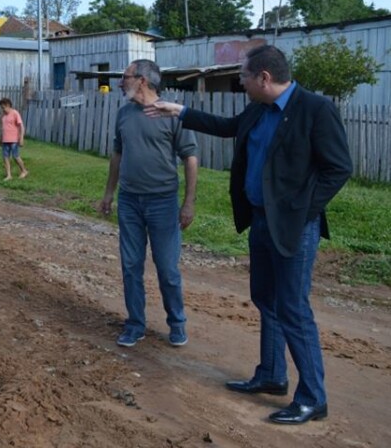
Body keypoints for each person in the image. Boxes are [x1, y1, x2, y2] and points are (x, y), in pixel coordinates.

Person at [145, 45, 352, 425]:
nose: (239, 81)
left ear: (264, 78)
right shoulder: (258, 109)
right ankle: (272, 375)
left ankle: (313, 398)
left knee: (293, 308)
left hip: (292, 226)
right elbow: (228, 128)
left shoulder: (315, 109)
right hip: (260, 221)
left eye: (242, 76)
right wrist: (180, 111)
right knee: (265, 299)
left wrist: (302, 211)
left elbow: (339, 168)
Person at [100, 59, 198, 349]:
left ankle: (177, 323)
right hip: (130, 201)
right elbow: (117, 154)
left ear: (141, 80)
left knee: (167, 268)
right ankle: (135, 324)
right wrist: (109, 193)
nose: (120, 82)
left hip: (163, 202)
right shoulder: (124, 114)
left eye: (125, 77)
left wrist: (188, 202)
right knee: (131, 265)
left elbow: (190, 157)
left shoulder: (171, 114)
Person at [0, 97, 28, 181]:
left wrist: (21, 138)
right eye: (1, 108)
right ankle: (8, 175)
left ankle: (24, 171)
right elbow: (3, 128)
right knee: (5, 157)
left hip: (14, 140)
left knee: (15, 156)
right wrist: (1, 138)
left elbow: (21, 127)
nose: (2, 110)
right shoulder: (3, 116)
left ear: (8, 105)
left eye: (3, 107)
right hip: (5, 140)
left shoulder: (15, 113)